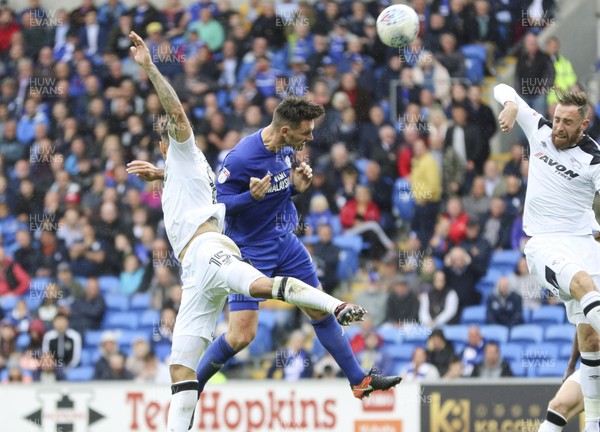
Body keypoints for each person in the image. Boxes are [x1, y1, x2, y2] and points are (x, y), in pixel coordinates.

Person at [124, 31, 369, 432]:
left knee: (261, 287)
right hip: (194, 273)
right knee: (181, 375)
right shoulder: (191, 168)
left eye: (168, 138)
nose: (171, 135)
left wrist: (151, 72)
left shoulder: (188, 154)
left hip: (210, 251)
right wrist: (163, 171)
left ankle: (335, 307)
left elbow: (182, 124)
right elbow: (203, 186)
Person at [132, 109, 401, 399]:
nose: (310, 137)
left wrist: (295, 188)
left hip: (285, 242)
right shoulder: (242, 157)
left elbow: (277, 191)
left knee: (319, 310)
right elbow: (217, 202)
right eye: (305, 132)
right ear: (286, 130)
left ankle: (358, 380)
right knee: (241, 335)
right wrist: (251, 197)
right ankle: (191, 388)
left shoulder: (285, 150)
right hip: (248, 250)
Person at [495, 81, 600, 432]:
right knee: (583, 284)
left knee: (590, 337)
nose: (558, 127)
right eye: (557, 119)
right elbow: (501, 86)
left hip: (584, 244)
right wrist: (511, 103)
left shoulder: (593, 159)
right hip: (544, 244)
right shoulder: (539, 129)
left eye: (568, 123)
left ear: (584, 125)